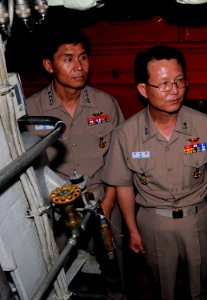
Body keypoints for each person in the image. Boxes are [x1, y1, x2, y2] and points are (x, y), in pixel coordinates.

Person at [102, 45, 207, 300]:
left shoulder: (204, 125)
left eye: (179, 81)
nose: (174, 91)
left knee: (202, 288)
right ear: (143, 90)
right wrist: (132, 230)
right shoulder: (126, 134)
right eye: (163, 84)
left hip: (198, 219)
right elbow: (124, 186)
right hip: (153, 223)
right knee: (163, 290)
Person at [24, 26, 126, 295]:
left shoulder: (106, 103)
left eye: (83, 57)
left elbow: (119, 160)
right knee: (59, 279)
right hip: (55, 211)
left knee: (115, 275)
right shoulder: (31, 110)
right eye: (68, 59)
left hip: (104, 202)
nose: (79, 67)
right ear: (49, 65)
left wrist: (110, 199)